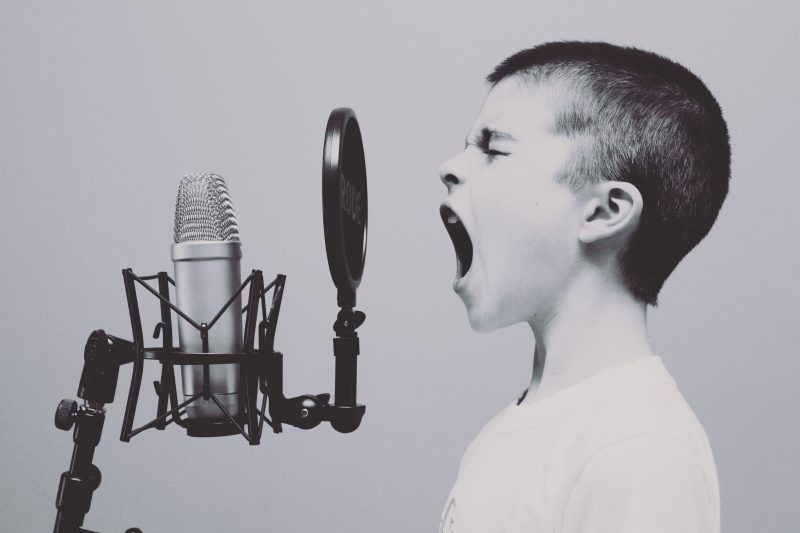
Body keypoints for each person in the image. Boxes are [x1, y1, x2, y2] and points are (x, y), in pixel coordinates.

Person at [438, 41, 729, 533]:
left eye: (493, 148)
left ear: (604, 211)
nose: (450, 167)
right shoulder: (519, 429)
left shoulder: (635, 450)